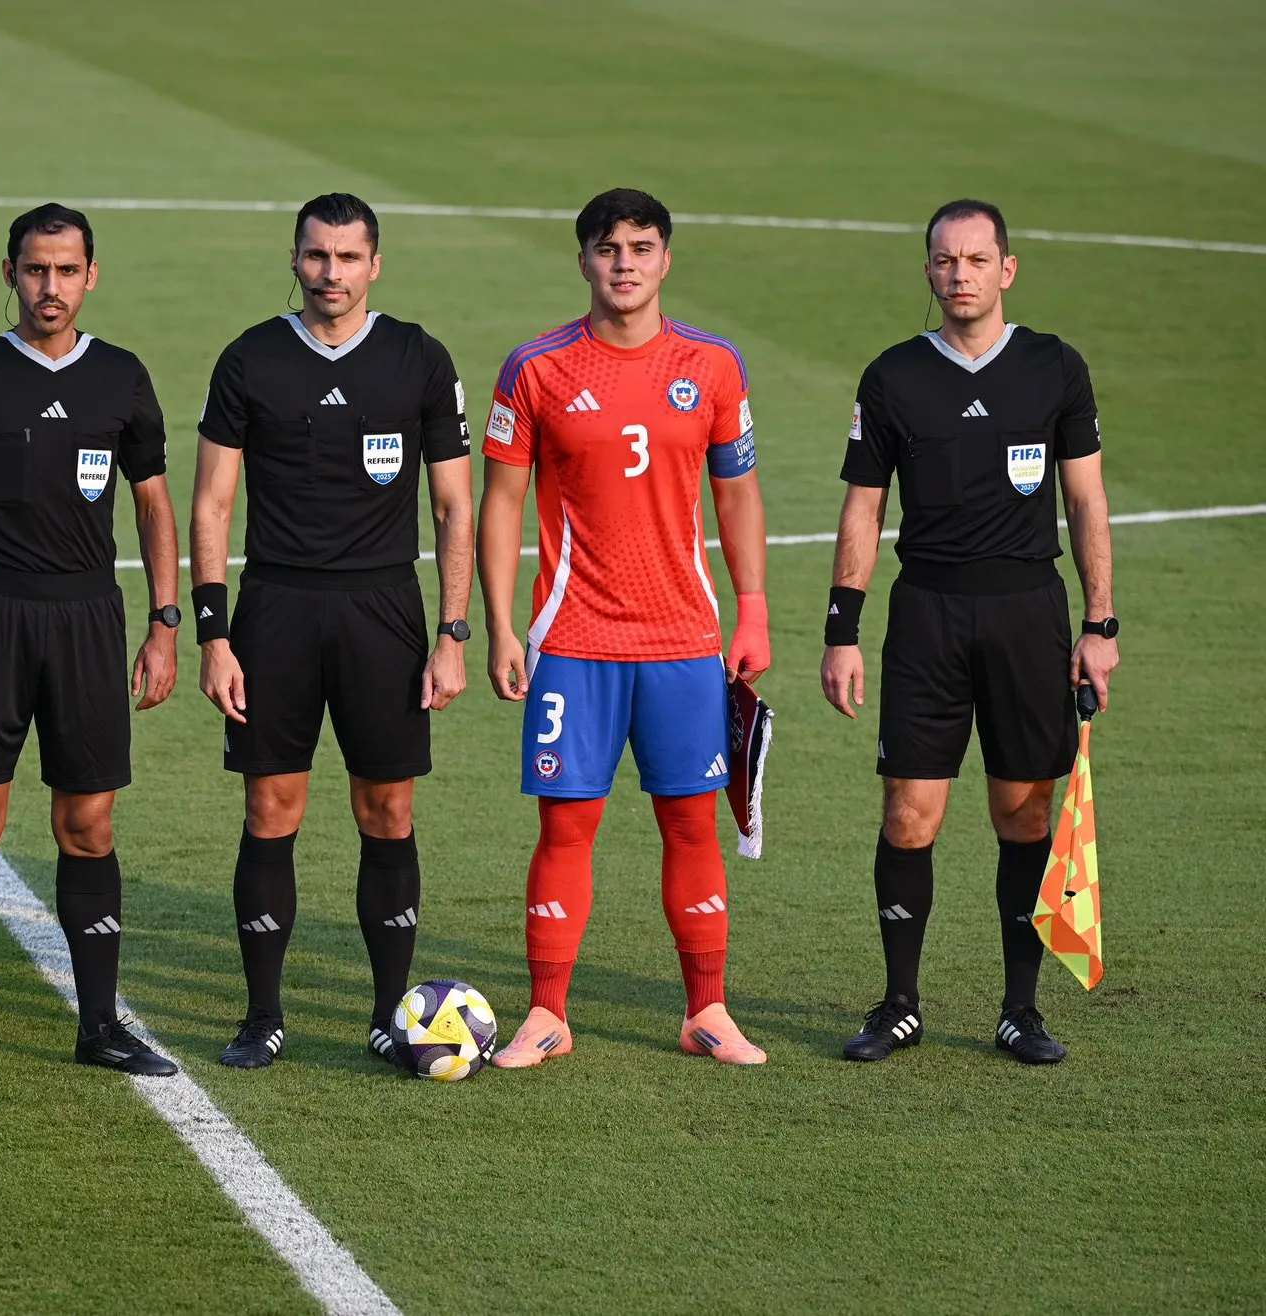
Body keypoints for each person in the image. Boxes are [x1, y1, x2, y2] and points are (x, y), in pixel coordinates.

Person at [477, 187, 771, 1069]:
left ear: (666, 259)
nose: (625, 262)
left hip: (684, 642)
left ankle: (707, 1012)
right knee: (565, 829)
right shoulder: (536, 369)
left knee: (692, 826)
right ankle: (548, 1014)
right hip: (573, 643)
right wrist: (500, 628)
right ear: (583, 262)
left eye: (642, 246)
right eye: (608, 248)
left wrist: (751, 609)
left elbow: (738, 493)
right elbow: (502, 503)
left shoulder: (714, 366)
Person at [822, 199, 1119, 1066]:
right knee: (910, 813)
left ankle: (1019, 1011)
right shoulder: (893, 377)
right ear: (928, 272)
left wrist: (1101, 624)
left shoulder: (1054, 368)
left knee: (1024, 816)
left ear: (1007, 269)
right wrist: (843, 628)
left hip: (1030, 613)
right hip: (928, 617)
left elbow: (1087, 500)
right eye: (945, 261)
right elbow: (864, 506)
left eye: (977, 260)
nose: (961, 275)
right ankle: (900, 1004)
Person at [190, 192, 473, 1069]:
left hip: (384, 610)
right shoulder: (250, 359)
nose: (332, 273)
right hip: (275, 608)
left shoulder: (418, 357)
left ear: (374, 264)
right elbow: (212, 501)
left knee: (386, 808)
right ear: (295, 259)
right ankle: (263, 1015)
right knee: (271, 806)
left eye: (349, 257)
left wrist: (454, 631)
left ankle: (392, 1015)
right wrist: (213, 632)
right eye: (317, 256)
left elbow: (455, 503)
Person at [0, 203, 181, 1082]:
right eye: (35, 270)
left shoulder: (124, 379)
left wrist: (165, 624)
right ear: (10, 273)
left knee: (87, 823)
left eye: (66, 271)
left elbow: (155, 505)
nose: (50, 287)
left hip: (90, 620)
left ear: (90, 276)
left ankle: (99, 1025)